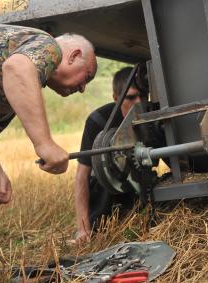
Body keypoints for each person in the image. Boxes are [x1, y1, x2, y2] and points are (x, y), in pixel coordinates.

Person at [0, 24, 97, 281]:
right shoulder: (47, 46)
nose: (83, 88)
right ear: (73, 55)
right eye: (87, 76)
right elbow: (18, 68)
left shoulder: (12, 90)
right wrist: (44, 143)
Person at [74, 67, 148, 245]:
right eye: (131, 98)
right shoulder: (98, 121)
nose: (139, 103)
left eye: (143, 95)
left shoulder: (153, 114)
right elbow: (81, 176)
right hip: (111, 188)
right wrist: (83, 228)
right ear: (116, 98)